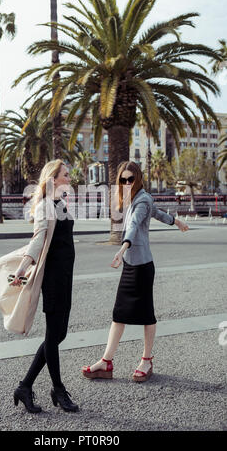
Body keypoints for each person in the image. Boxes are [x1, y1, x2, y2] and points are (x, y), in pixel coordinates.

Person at [82, 161, 189, 382]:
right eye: (123, 179)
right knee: (119, 314)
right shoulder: (134, 199)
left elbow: (134, 224)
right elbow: (157, 213)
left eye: (131, 179)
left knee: (146, 315)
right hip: (131, 265)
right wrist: (176, 221)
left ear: (138, 178)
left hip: (141, 266)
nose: (127, 183)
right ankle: (106, 361)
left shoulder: (142, 200)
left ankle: (147, 360)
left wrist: (122, 249)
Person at [11, 159, 79, 413]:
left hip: (66, 276)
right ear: (53, 179)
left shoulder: (60, 204)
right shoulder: (44, 206)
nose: (70, 179)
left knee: (58, 335)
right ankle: (58, 389)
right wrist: (22, 268)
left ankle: (25, 386)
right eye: (66, 174)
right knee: (53, 335)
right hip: (53, 277)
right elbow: (37, 240)